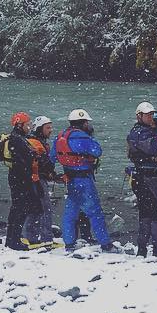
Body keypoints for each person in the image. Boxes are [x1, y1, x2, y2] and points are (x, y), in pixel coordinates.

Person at [50, 108, 116, 253]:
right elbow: (97, 151)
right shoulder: (84, 138)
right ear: (84, 122)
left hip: (70, 179)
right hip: (84, 179)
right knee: (95, 213)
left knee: (70, 213)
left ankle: (69, 243)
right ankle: (105, 244)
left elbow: (52, 158)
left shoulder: (60, 137)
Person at [126, 102, 157, 258]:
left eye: (151, 114)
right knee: (155, 214)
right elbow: (156, 148)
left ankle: (146, 249)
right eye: (147, 115)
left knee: (149, 214)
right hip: (147, 178)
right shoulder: (139, 133)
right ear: (139, 116)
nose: (151, 117)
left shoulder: (149, 131)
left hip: (153, 176)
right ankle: (154, 249)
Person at [0, 111, 40, 252]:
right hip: (20, 178)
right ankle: (14, 240)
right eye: (27, 124)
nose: (29, 127)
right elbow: (24, 161)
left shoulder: (16, 138)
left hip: (16, 176)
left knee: (17, 208)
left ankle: (12, 239)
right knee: (20, 209)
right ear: (20, 125)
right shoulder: (18, 139)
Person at [23, 115, 57, 246]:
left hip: (30, 179)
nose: (51, 130)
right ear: (39, 129)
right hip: (36, 180)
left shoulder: (33, 141)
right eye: (48, 127)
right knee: (44, 209)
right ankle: (46, 238)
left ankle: (29, 236)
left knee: (34, 208)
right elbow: (45, 164)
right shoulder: (36, 143)